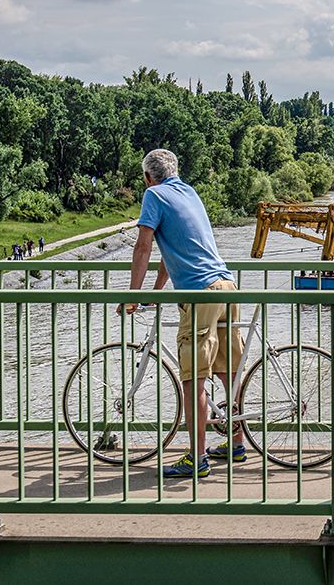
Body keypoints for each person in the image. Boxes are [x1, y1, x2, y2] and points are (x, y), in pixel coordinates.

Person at [118, 149, 244, 480]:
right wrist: (157, 293)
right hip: (226, 285)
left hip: (199, 292)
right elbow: (170, 252)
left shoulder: (153, 195)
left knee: (193, 378)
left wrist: (132, 297)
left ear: (148, 176)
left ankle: (196, 458)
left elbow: (143, 247)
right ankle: (236, 442)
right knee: (229, 369)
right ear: (175, 170)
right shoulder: (189, 192)